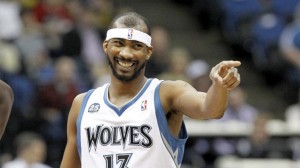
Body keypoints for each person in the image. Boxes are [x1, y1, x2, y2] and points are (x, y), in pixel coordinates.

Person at [60, 11, 241, 168]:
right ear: (106, 46)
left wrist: (220, 86)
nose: (126, 53)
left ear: (149, 51)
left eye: (136, 46)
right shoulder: (82, 104)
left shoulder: (167, 93)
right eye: (119, 43)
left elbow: (210, 109)